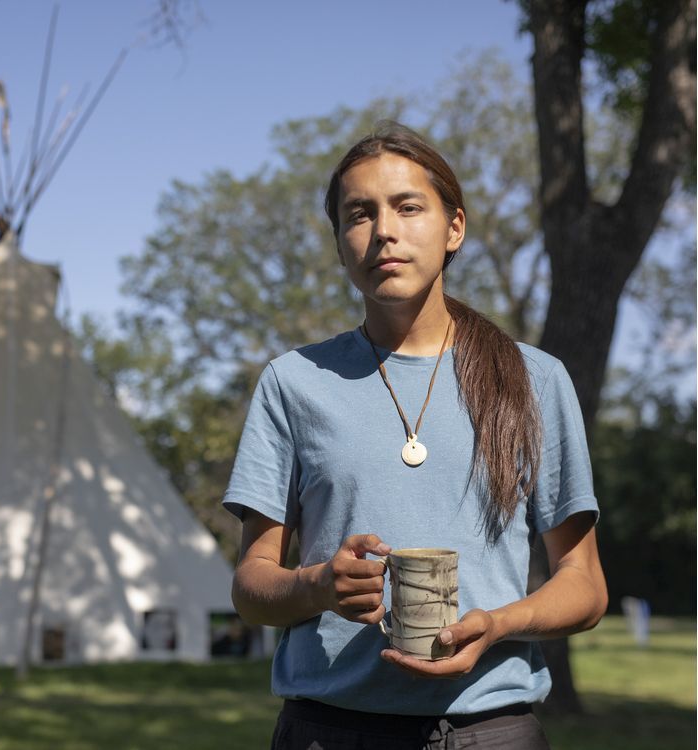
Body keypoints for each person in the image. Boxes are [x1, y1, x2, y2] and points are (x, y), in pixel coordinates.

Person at [225, 121, 607, 749]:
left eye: (408, 207)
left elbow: (585, 586)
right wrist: (316, 585)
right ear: (339, 242)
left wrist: (497, 623)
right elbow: (252, 586)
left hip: (492, 731)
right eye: (359, 214)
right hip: (329, 731)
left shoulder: (535, 379)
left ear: (454, 227)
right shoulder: (292, 382)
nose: (384, 231)